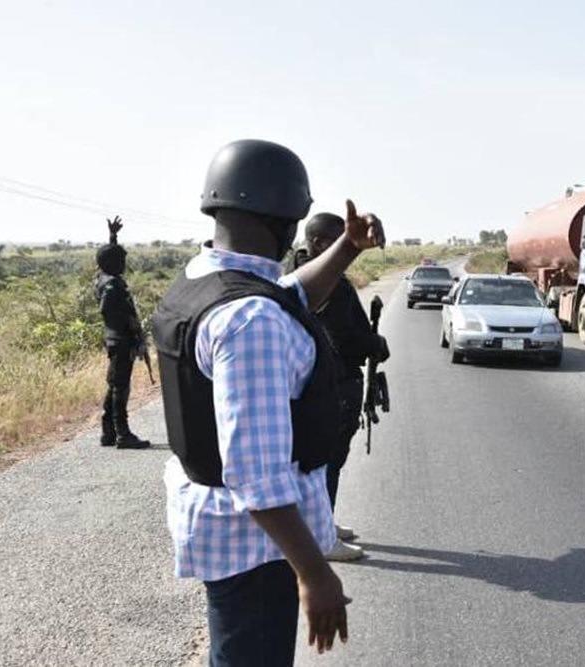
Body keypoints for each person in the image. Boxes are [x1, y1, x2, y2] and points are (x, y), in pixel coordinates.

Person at [151, 139, 383, 664]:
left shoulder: (203, 282)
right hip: (257, 547)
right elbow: (255, 471)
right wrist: (314, 572)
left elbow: (289, 293)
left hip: (228, 532)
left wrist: (347, 247)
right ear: (284, 221)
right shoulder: (252, 322)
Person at [298, 212, 391, 562]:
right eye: (342, 241)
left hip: (329, 381)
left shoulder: (310, 277)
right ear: (320, 243)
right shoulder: (326, 283)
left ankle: (324, 522)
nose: (348, 249)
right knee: (328, 463)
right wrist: (375, 344)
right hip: (333, 383)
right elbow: (344, 337)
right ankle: (321, 538)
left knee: (326, 462)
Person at [94, 216, 151, 449]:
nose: (124, 264)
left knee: (114, 385)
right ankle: (122, 433)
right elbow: (108, 308)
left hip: (114, 340)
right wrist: (131, 327)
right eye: (121, 260)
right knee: (121, 388)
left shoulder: (102, 277)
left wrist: (113, 237)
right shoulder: (112, 284)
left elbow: (106, 259)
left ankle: (108, 431)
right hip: (121, 340)